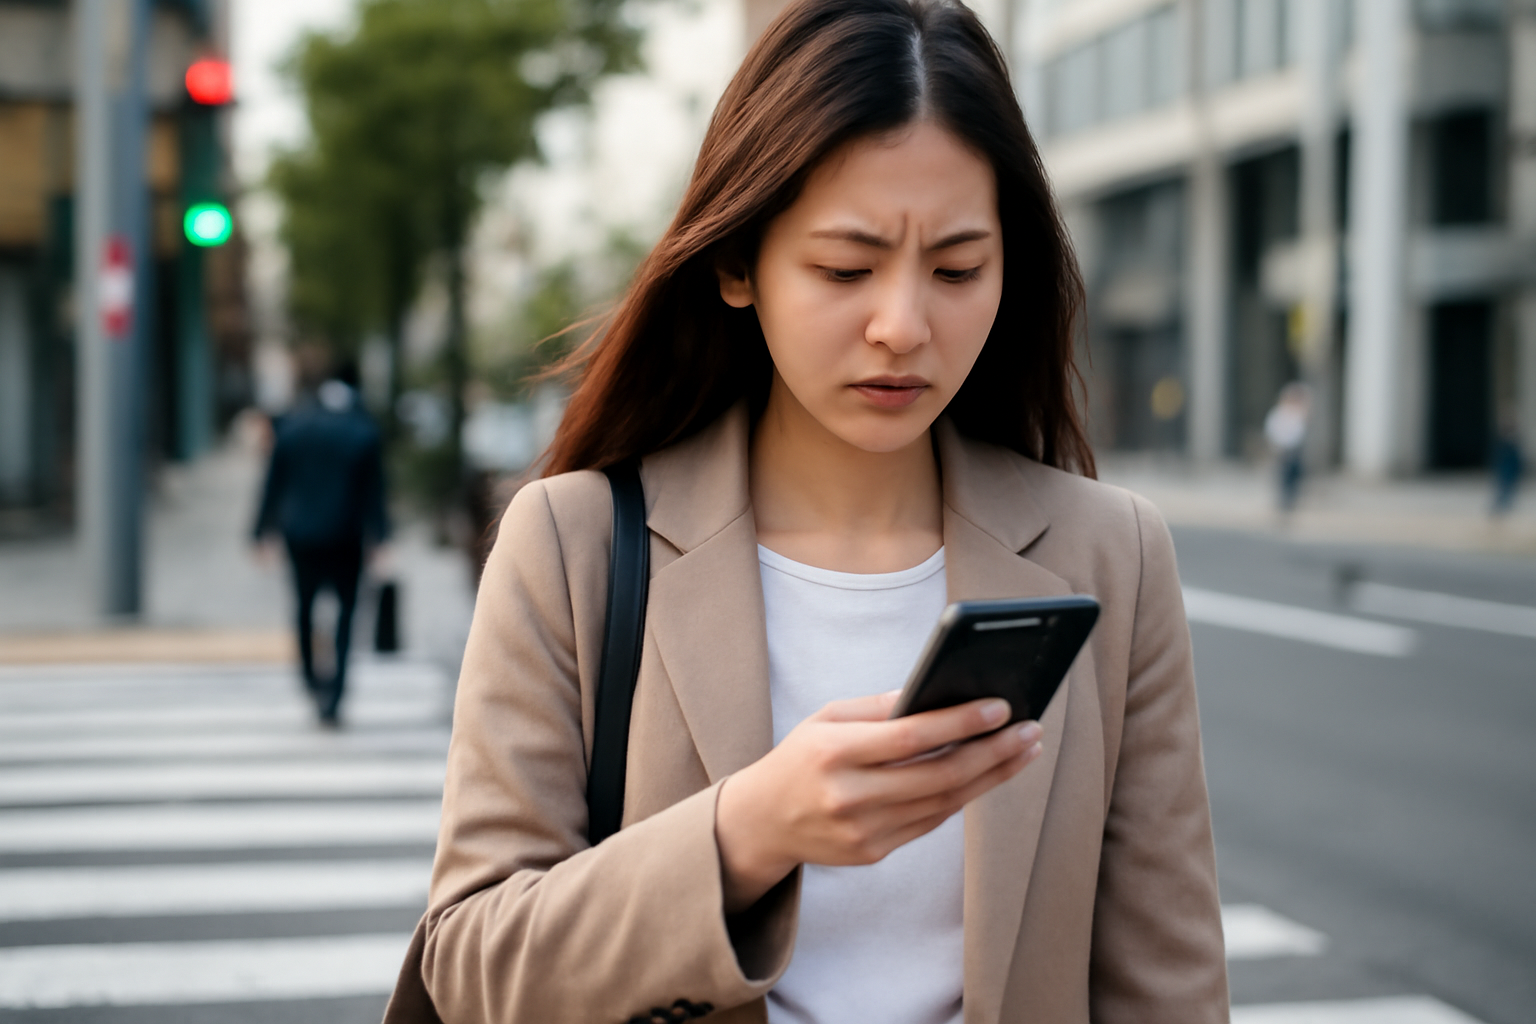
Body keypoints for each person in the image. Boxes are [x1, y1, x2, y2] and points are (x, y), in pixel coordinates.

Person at [385, 1, 1227, 1021]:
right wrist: (751, 830)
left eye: (958, 268)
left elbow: (1166, 984)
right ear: (738, 264)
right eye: (845, 267)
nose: (903, 325)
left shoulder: (1110, 552)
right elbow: (472, 965)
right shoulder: (572, 544)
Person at [253, 361, 388, 726]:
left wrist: (260, 530)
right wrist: (382, 537)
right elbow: (374, 492)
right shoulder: (362, 431)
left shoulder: (293, 428)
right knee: (346, 614)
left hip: (300, 535)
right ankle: (337, 693)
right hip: (346, 535)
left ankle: (312, 680)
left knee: (304, 607)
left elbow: (273, 483)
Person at [1264, 381, 1310, 514]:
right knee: (1282, 477)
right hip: (1282, 450)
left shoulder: (1297, 414)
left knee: (1294, 478)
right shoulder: (1279, 413)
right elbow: (1273, 431)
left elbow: (1301, 432)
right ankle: (1282, 503)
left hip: (1294, 451)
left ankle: (1290, 502)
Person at [1491, 409, 1523, 516]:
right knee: (1504, 490)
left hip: (1508, 472)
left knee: (1505, 490)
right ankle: (1501, 508)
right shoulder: (1506, 444)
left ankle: (1501, 508)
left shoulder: (1510, 444)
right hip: (1506, 472)